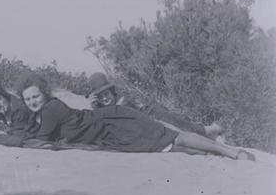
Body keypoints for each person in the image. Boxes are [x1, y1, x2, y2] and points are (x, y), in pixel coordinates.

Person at [17, 73, 255, 160]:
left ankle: (230, 152)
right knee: (165, 146)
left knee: (171, 137)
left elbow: (42, 138)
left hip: (113, 123)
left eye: (35, 96)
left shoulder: (50, 109)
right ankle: (215, 154)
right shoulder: (48, 109)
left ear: (44, 94)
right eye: (28, 99)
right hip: (110, 133)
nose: (32, 102)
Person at [86, 72, 223, 139]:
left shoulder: (122, 100)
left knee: (181, 125)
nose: (105, 98)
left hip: (153, 114)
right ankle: (208, 133)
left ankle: (211, 129)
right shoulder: (103, 109)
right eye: (100, 96)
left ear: (111, 91)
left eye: (106, 94)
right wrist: (95, 107)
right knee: (181, 131)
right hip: (150, 127)